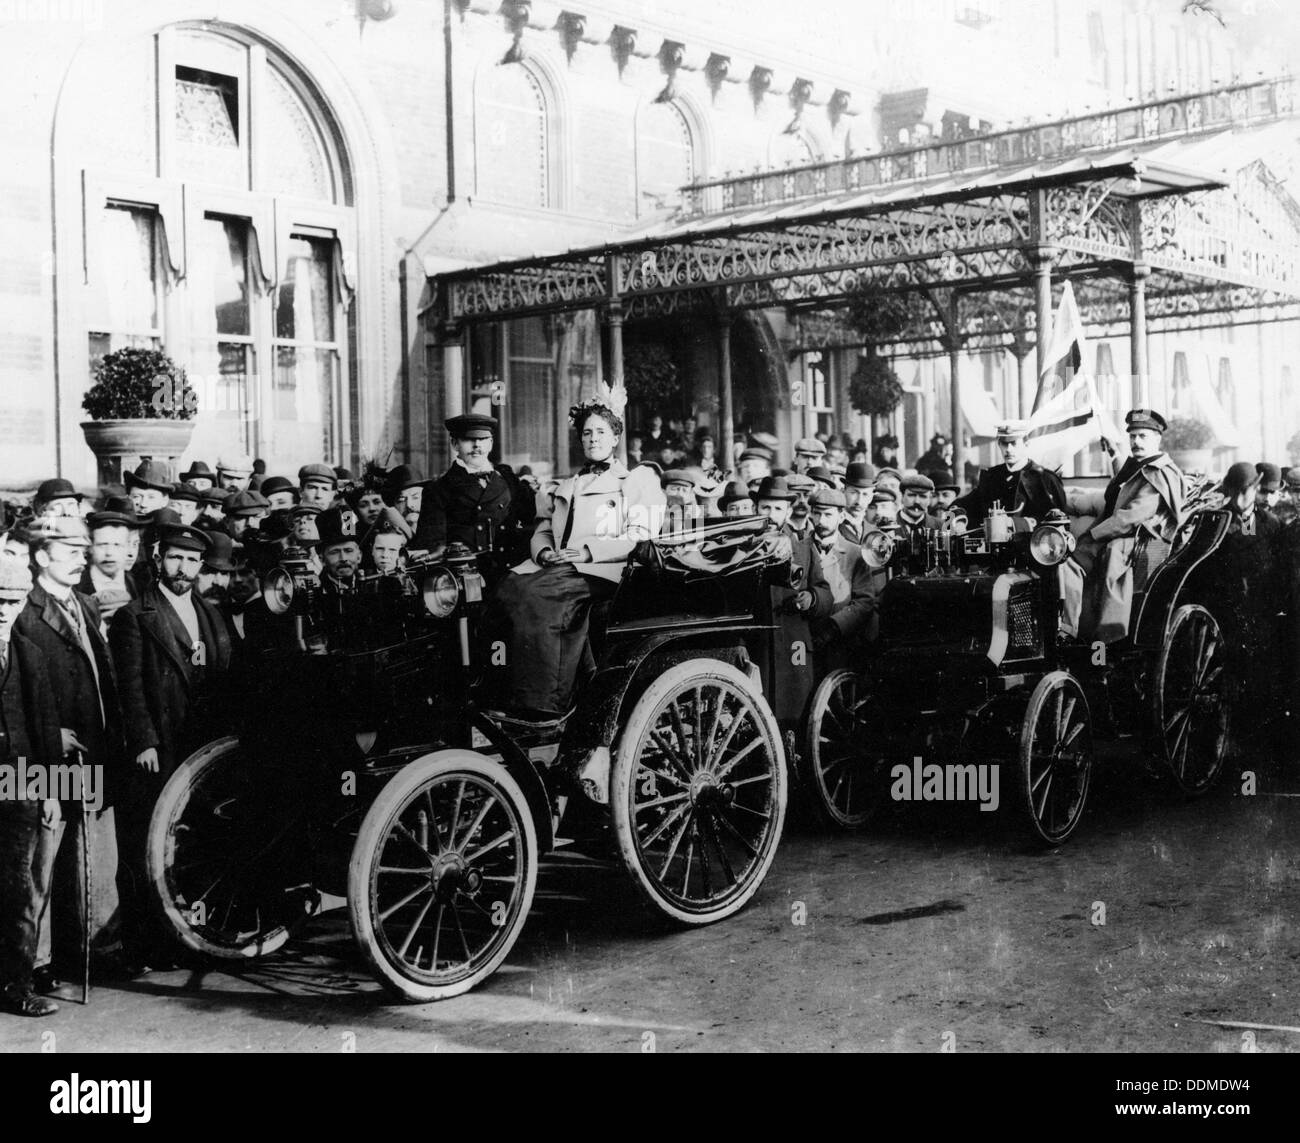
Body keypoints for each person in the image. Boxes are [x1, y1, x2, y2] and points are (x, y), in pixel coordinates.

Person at [490, 400, 665, 718]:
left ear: (615, 438)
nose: (593, 438)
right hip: (561, 565)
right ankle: (509, 692)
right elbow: (543, 530)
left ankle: (546, 700)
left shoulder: (634, 483)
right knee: (508, 587)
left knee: (537, 595)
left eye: (601, 432)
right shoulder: (566, 486)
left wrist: (588, 552)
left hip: (604, 569)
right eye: (587, 433)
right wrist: (543, 551)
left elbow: (639, 534)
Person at [110, 523, 232, 968]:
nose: (183, 568)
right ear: (158, 558)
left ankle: (190, 940)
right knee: (148, 843)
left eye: (192, 560)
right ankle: (144, 947)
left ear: (201, 565)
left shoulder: (211, 613)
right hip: (159, 749)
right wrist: (143, 741)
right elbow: (129, 688)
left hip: (201, 750)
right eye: (175, 558)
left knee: (193, 847)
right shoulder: (134, 616)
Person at [15, 515, 127, 981]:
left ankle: (91, 953)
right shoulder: (22, 607)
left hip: (90, 748)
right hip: (46, 753)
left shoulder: (82, 602)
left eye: (84, 550)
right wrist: (50, 732)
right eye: (71, 550)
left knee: (91, 849)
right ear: (42, 557)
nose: (83, 558)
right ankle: (33, 963)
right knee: (41, 855)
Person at [1061, 409, 1185, 642]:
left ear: (1157, 439)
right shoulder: (1141, 466)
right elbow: (1125, 486)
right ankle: (1069, 630)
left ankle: (1100, 636)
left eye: (1143, 436)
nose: (1136, 442)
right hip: (1112, 536)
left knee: (1086, 561)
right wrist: (1114, 454)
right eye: (1132, 436)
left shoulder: (1158, 474)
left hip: (1134, 542)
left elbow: (1129, 517)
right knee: (1063, 563)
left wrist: (1091, 535)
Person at [0, 560, 63, 1016]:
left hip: (19, 786)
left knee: (19, 891)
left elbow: (44, 730)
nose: (5, 609)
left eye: (13, 599)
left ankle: (16, 986)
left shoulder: (30, 654)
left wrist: (52, 792)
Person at [410, 414, 520, 563]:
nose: (477, 445)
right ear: (455, 444)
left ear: (491, 443)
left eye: (482, 439)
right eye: (468, 439)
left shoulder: (508, 479)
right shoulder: (438, 489)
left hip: (508, 569)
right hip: (465, 574)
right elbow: (433, 547)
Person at [954, 420, 1066, 529]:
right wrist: (959, 520)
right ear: (999, 444)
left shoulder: (1046, 479)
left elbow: (1059, 522)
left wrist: (1014, 523)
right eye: (1004, 444)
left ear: (1026, 443)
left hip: (1031, 545)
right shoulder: (991, 477)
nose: (1008, 449)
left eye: (1013, 443)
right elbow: (965, 504)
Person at [807, 488, 878, 653]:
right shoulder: (798, 548)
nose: (821, 520)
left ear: (841, 516)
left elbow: (864, 601)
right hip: (805, 641)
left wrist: (833, 627)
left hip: (842, 640)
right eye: (817, 514)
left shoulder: (856, 554)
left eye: (828, 515)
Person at [80, 498, 141, 625]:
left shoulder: (140, 585)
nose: (109, 553)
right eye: (102, 544)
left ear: (127, 548)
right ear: (90, 547)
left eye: (117, 545)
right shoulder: (77, 585)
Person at [840, 462, 875, 543]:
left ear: (871, 497)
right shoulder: (832, 526)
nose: (859, 501)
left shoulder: (874, 531)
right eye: (853, 493)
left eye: (865, 494)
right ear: (843, 492)